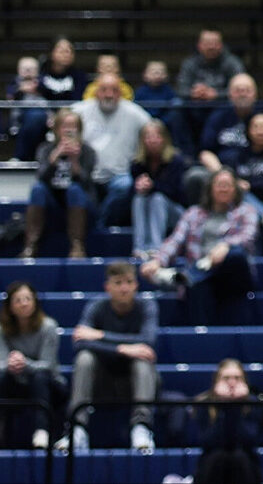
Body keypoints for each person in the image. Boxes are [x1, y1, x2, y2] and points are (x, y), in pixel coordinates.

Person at [60, 262, 157, 453]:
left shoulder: (147, 305)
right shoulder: (96, 306)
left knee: (142, 362)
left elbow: (148, 341)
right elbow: (79, 341)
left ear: (136, 285)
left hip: (134, 382)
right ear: (108, 287)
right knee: (84, 358)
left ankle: (141, 427)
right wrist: (123, 348)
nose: (124, 288)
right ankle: (77, 428)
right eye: (118, 282)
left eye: (129, 282)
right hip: (101, 382)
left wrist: (100, 336)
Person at [142, 168, 260, 325]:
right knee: (198, 288)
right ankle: (193, 278)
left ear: (235, 189)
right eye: (219, 185)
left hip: (233, 276)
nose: (223, 188)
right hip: (204, 276)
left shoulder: (246, 210)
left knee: (236, 254)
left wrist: (225, 246)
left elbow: (248, 236)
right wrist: (158, 261)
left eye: (228, 185)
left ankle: (187, 277)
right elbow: (175, 240)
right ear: (210, 188)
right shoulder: (193, 213)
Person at [72, 72, 152, 226]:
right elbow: (58, 126)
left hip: (119, 175)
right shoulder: (79, 111)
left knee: (125, 185)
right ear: (96, 91)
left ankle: (100, 226)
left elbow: (156, 131)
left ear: (121, 92)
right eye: (104, 89)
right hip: (87, 175)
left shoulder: (134, 113)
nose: (109, 94)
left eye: (114, 90)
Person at [25, 110, 98, 258]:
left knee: (74, 189)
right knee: (37, 189)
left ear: (80, 130)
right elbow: (41, 177)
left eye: (73, 126)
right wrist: (56, 156)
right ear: (57, 129)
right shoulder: (45, 149)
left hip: (80, 204)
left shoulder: (87, 151)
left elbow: (87, 183)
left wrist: (74, 161)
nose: (69, 130)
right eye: (65, 126)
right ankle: (30, 245)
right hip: (52, 202)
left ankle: (77, 246)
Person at [0, 282, 63, 449]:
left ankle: (41, 431)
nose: (24, 303)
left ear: (35, 302)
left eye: (27, 299)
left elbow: (48, 365)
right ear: (10, 306)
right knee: (1, 377)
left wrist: (24, 363)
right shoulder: (2, 329)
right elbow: (1, 364)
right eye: (18, 300)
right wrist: (10, 364)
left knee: (39, 377)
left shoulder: (48, 326)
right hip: (14, 382)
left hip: (50, 385)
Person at [129, 120, 191, 261]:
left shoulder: (176, 161)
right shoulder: (137, 164)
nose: (152, 141)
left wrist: (153, 185)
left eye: (156, 136)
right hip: (147, 209)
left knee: (157, 198)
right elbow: (129, 196)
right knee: (139, 198)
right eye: (148, 137)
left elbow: (179, 194)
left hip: (175, 212)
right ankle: (139, 248)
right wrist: (137, 187)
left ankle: (155, 248)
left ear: (164, 138)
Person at [194, 359, 261, 484]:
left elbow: (248, 440)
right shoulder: (204, 403)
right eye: (226, 378)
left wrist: (235, 407)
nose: (232, 382)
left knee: (239, 456)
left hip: (245, 465)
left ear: (244, 382)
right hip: (212, 465)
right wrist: (224, 405)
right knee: (219, 456)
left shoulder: (254, 403)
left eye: (237, 378)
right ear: (216, 381)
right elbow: (208, 441)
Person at [197, 72, 261, 175]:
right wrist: (222, 174)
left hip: (255, 170)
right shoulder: (217, 116)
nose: (242, 94)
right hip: (221, 170)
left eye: (247, 90)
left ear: (255, 94)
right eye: (238, 90)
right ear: (229, 94)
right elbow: (206, 153)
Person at [177, 28, 246, 108]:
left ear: (221, 45)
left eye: (215, 43)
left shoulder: (233, 63)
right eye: (207, 43)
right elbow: (181, 89)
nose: (211, 47)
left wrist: (216, 94)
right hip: (194, 106)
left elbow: (242, 88)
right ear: (199, 45)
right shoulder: (189, 63)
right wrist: (194, 93)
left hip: (223, 106)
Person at [8, 56, 52, 163]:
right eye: (25, 69)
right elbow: (10, 96)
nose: (28, 72)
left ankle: (21, 156)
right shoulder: (15, 82)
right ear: (18, 71)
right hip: (21, 115)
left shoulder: (41, 81)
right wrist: (20, 90)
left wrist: (37, 88)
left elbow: (48, 92)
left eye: (31, 69)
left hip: (42, 113)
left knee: (37, 117)